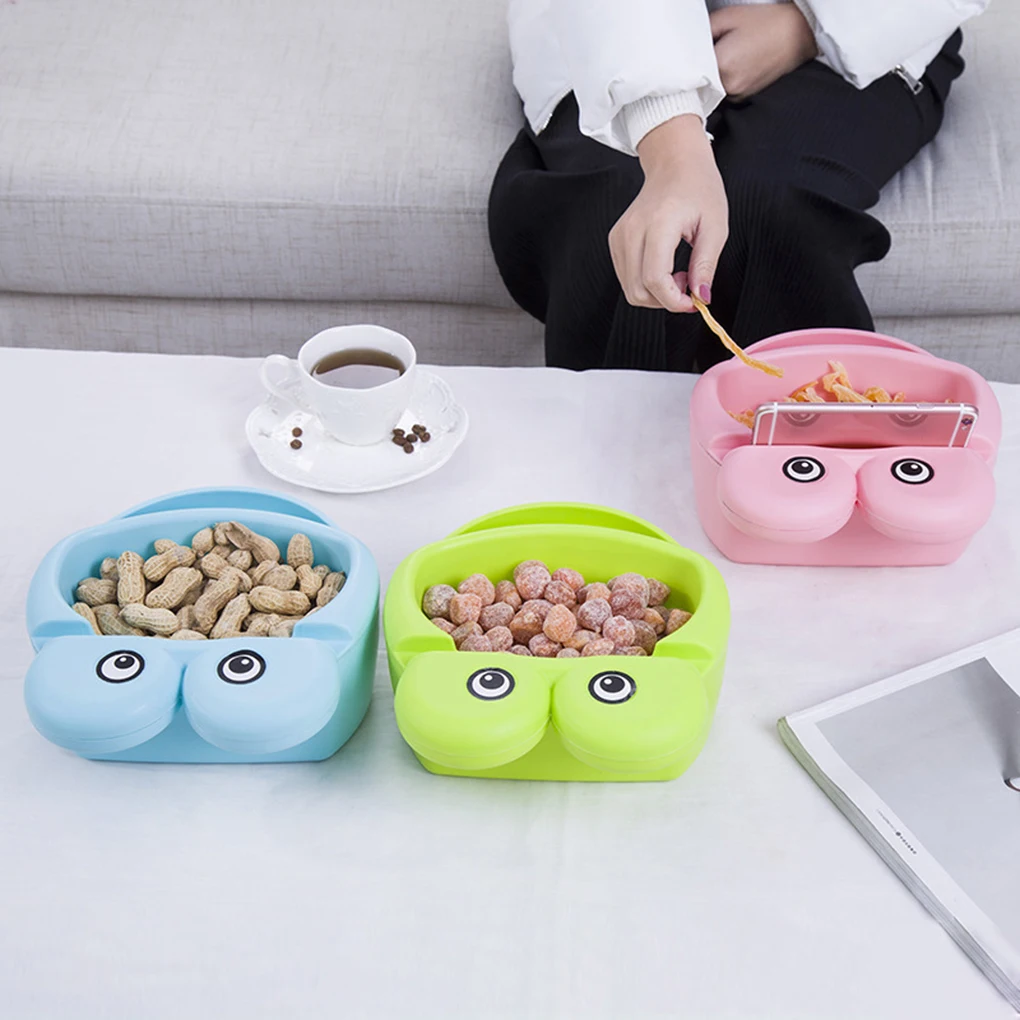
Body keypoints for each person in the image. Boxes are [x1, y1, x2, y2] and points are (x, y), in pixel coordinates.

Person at [489, 0, 987, 373]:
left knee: (774, 210)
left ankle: (815, 464)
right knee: (625, 214)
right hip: (607, 22)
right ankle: (613, 469)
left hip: (870, 20)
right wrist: (670, 142)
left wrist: (808, 25)